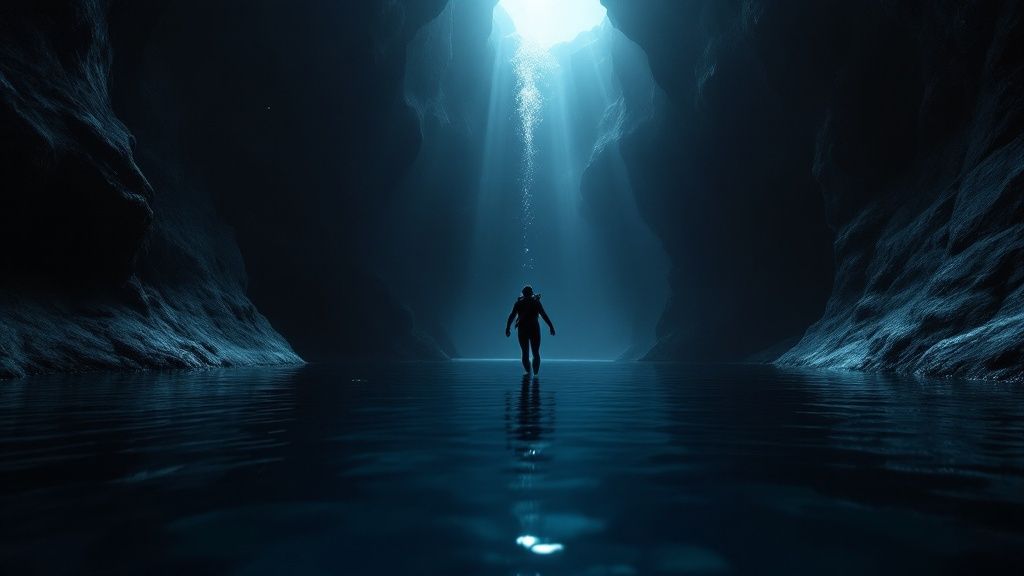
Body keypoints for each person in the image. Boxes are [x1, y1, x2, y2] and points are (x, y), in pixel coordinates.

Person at [506, 285, 555, 375]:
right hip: (534, 328)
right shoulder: (535, 302)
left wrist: (508, 328)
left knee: (525, 352)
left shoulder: (519, 303)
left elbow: (512, 316)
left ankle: (528, 373)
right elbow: (544, 315)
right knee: (535, 352)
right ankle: (535, 374)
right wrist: (551, 326)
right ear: (531, 293)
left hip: (523, 329)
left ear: (523, 293)